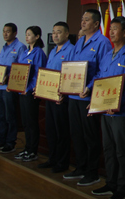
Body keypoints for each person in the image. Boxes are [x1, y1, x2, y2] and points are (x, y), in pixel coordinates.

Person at [86, 16, 125, 199]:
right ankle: (110, 183)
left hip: (120, 113)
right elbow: (100, 80)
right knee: (108, 149)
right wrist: (95, 100)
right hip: (104, 111)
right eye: (110, 29)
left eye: (115, 29)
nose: (111, 32)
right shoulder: (107, 55)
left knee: (121, 151)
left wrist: (118, 104)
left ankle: (123, 189)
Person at [65, 9, 112, 186]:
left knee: (90, 136)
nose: (83, 22)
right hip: (74, 96)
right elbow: (71, 66)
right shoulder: (80, 41)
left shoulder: (102, 42)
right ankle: (81, 167)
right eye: (82, 19)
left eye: (87, 20)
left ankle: (92, 172)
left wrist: (90, 87)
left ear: (96, 23)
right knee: (76, 134)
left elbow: (103, 70)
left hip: (89, 98)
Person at [38, 22, 74, 173]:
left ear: (66, 34)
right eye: (53, 32)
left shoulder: (71, 50)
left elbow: (72, 75)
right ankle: (52, 158)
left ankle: (62, 162)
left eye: (58, 32)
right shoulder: (53, 51)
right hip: (49, 96)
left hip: (62, 98)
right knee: (51, 129)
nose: (55, 35)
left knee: (62, 131)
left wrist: (64, 92)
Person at [0, 23, 26, 154]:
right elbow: (1, 67)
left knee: (10, 115)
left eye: (8, 31)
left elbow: (21, 69)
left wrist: (8, 76)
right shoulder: (4, 47)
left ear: (15, 33)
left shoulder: (20, 47)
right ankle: (1, 140)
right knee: (0, 115)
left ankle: (10, 142)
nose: (5, 34)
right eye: (4, 31)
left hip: (10, 87)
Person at [14, 26, 48, 162]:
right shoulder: (25, 52)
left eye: (29, 34)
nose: (27, 37)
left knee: (32, 122)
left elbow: (39, 73)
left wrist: (31, 88)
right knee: (25, 122)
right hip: (22, 91)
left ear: (37, 36)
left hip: (30, 92)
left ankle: (33, 150)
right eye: (26, 34)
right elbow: (18, 70)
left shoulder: (38, 53)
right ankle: (27, 148)